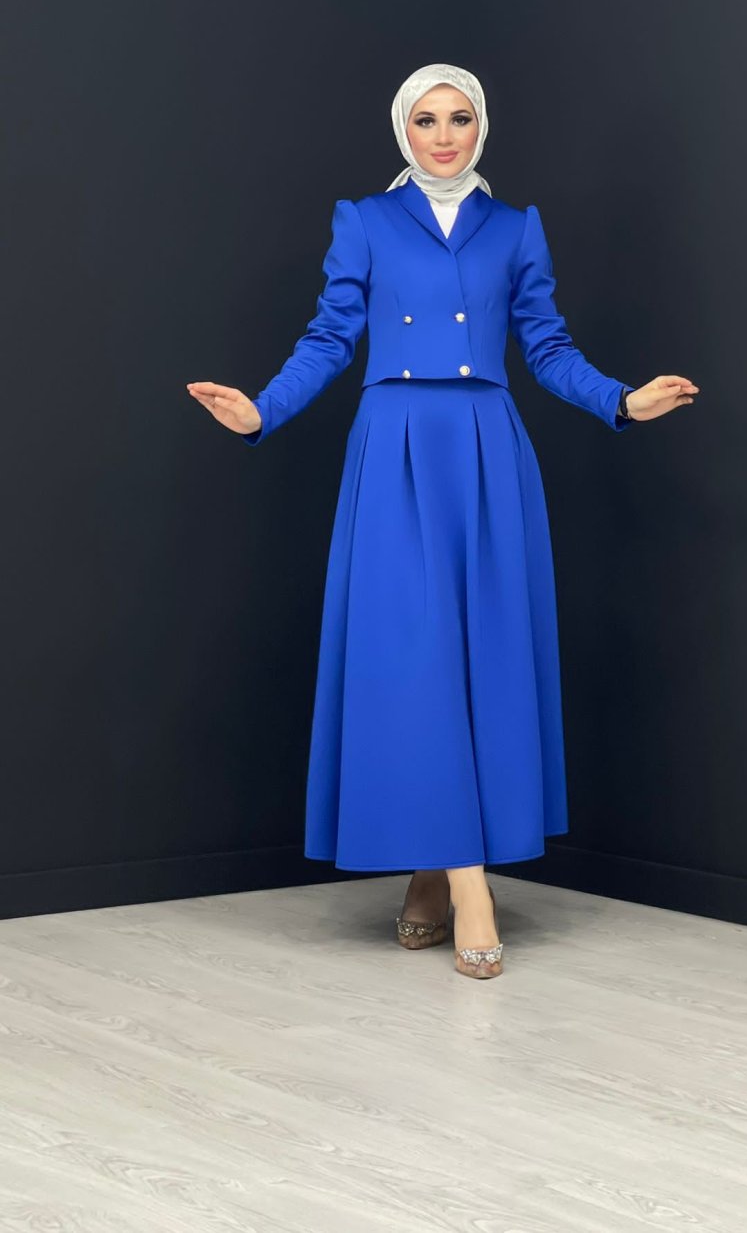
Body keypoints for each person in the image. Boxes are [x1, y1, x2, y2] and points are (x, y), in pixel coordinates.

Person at [187, 62, 698, 979]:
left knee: (478, 657)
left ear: (481, 126)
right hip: (396, 450)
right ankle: (472, 888)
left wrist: (622, 401)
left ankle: (431, 873)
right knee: (418, 655)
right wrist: (262, 410)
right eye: (426, 120)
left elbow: (546, 346)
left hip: (487, 453)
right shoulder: (366, 220)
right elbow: (330, 336)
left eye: (459, 118)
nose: (444, 135)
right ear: (403, 131)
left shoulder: (515, 227)